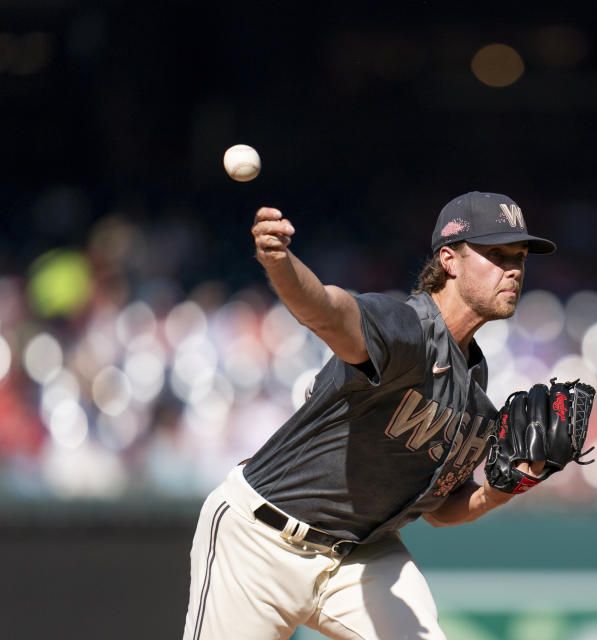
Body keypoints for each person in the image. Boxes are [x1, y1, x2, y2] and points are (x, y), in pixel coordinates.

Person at [182, 192, 561, 640]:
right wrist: (281, 264)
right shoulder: (404, 328)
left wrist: (500, 492)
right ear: (449, 260)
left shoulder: (474, 387)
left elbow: (439, 509)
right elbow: (326, 311)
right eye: (496, 254)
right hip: (261, 540)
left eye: (519, 256)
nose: (514, 268)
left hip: (361, 553)